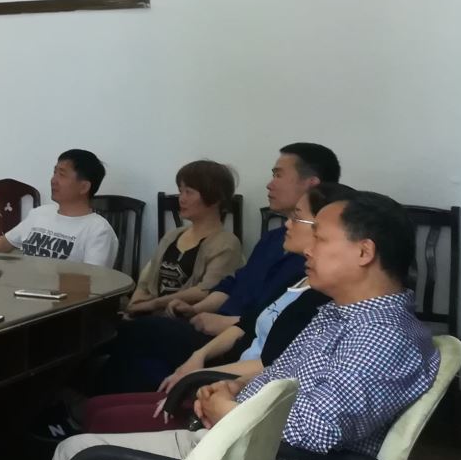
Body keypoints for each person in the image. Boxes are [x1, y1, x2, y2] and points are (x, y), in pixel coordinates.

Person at [33, 191, 440, 460]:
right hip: (247, 453)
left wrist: (231, 410)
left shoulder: (382, 336)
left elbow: (319, 429)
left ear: (364, 252)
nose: (308, 249)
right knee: (74, 450)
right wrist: (231, 390)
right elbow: (280, 376)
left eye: (320, 238)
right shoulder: (340, 313)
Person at [82, 182, 354, 434]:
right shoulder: (297, 277)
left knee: (122, 371)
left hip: (238, 397)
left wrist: (203, 380)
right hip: (232, 376)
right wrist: (198, 358)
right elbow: (246, 318)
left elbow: (275, 371)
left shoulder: (325, 302)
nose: (287, 224)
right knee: (116, 376)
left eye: (297, 217)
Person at [88, 143, 340, 392]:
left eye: (278, 175)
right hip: (217, 328)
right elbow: (233, 283)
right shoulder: (272, 240)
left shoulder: (318, 264)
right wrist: (197, 309)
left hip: (239, 341)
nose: (269, 183)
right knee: (136, 353)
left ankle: (92, 399)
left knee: (134, 333)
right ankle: (101, 403)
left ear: (311, 184)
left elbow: (282, 324)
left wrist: (228, 322)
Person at [123, 160, 243, 318]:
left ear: (215, 198)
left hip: (186, 320)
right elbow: (147, 279)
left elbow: (207, 290)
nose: (181, 199)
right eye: (181, 191)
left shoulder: (226, 243)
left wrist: (154, 304)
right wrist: (136, 302)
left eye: (189, 192)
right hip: (150, 316)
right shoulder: (172, 235)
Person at [0, 150, 118, 268]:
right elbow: (4, 243)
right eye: (54, 173)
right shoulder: (40, 213)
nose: (53, 180)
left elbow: (94, 281)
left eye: (62, 175)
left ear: (84, 187)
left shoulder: (99, 230)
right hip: (23, 287)